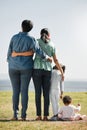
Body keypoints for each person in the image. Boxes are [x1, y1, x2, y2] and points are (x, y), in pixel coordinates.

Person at [11, 28, 64, 121]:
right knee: (46, 94)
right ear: (49, 35)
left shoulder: (36, 41)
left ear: (40, 34)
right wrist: (62, 72)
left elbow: (31, 52)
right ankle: (45, 116)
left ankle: (39, 116)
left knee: (38, 93)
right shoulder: (52, 44)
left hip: (36, 70)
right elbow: (55, 60)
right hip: (47, 70)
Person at [7, 20, 47, 121]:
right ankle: (23, 116)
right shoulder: (31, 39)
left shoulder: (14, 37)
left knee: (15, 91)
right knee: (24, 91)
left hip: (13, 67)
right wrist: (44, 56)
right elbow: (39, 53)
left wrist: (13, 59)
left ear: (21, 26)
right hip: (26, 67)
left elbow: (9, 53)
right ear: (31, 28)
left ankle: (15, 115)